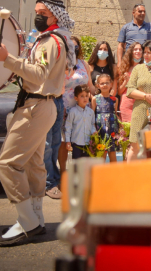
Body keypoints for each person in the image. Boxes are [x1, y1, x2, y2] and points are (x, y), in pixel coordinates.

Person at [0, 0, 71, 246]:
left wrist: (8, 59)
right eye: (36, 12)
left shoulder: (51, 42)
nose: (38, 16)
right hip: (40, 105)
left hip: (37, 106)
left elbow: (39, 74)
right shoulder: (50, 39)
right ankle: (37, 215)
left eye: (43, 12)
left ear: (54, 16)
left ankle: (28, 222)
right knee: (35, 164)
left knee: (7, 164)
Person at [55, 36, 95, 188]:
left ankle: (80, 175)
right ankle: (63, 174)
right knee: (64, 141)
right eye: (70, 46)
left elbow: (89, 85)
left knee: (81, 140)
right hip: (64, 106)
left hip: (83, 108)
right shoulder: (61, 63)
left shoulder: (83, 63)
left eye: (76, 46)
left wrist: (99, 93)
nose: (73, 48)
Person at [91, 74, 119, 163]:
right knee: (102, 152)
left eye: (107, 83)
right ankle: (101, 175)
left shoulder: (115, 99)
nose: (105, 85)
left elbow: (115, 113)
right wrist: (93, 129)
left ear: (111, 84)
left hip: (112, 129)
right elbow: (92, 115)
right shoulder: (95, 99)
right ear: (98, 85)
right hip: (100, 129)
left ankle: (114, 174)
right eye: (102, 83)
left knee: (112, 152)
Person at [64, 85, 96, 160]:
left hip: (88, 144)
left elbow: (92, 125)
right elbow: (68, 127)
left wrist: (94, 132)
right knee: (77, 166)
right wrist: (68, 141)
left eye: (86, 96)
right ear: (76, 98)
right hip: (76, 143)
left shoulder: (91, 111)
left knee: (86, 165)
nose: (85, 98)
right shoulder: (73, 111)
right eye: (82, 96)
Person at [117, 41, 142, 123]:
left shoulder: (146, 68)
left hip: (141, 104)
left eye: (140, 49)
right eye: (135, 49)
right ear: (131, 52)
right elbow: (119, 91)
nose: (138, 51)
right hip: (127, 105)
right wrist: (126, 81)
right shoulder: (125, 68)